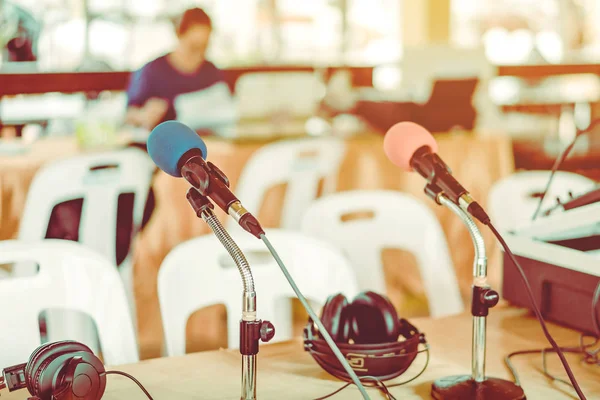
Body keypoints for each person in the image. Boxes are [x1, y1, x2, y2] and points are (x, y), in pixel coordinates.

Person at [125, 7, 231, 130]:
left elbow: (225, 109)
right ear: (178, 35)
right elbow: (129, 114)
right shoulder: (152, 71)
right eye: (193, 47)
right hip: (163, 143)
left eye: (204, 46)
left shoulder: (211, 71)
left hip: (205, 142)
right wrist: (143, 116)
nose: (198, 54)